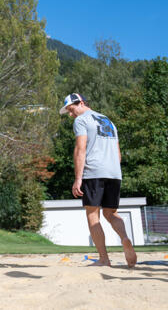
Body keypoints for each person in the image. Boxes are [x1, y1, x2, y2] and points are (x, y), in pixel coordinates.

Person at [61, 93, 137, 268]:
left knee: (92, 216)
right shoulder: (108, 120)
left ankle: (104, 259)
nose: (71, 115)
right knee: (111, 213)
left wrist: (78, 178)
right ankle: (125, 238)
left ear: (80, 103)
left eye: (71, 110)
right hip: (114, 173)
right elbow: (118, 153)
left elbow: (81, 150)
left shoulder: (81, 121)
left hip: (94, 171)